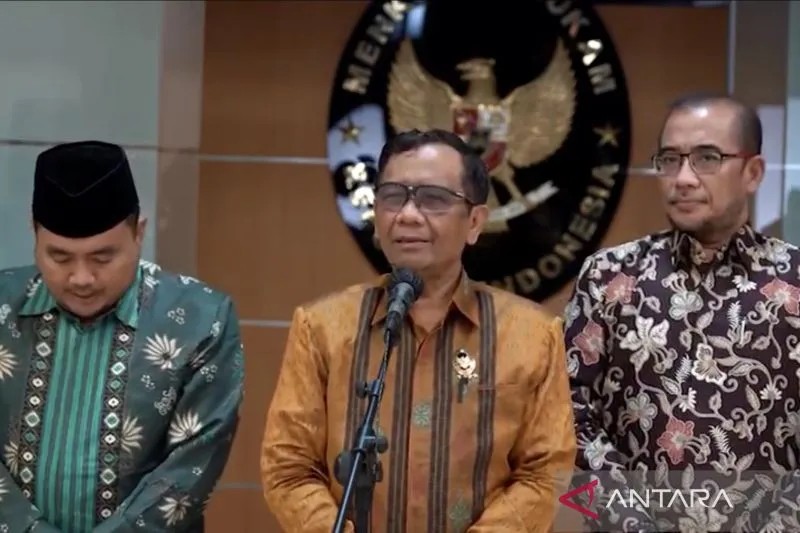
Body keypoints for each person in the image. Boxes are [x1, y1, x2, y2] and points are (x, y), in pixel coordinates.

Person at [261, 128, 576, 532]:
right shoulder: (322, 328)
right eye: (393, 196)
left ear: (475, 222)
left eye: (433, 199)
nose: (408, 215)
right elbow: (288, 468)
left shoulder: (532, 336)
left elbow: (546, 473)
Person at [565, 93, 800, 532]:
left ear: (753, 172)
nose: (684, 178)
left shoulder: (794, 282)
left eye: (707, 158)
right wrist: (630, 525)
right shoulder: (609, 277)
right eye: (670, 160)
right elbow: (569, 415)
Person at [0, 141, 245, 532]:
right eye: (60, 257)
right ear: (34, 234)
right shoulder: (3, 307)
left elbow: (190, 468)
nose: (81, 278)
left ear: (138, 233)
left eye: (103, 258)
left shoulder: (200, 320)